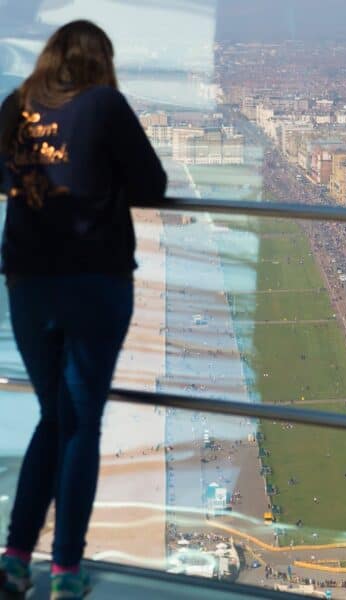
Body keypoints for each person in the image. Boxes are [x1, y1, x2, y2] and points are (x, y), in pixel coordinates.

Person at [0, 20, 166, 599]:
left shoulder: (15, 105)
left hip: (27, 285)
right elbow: (152, 183)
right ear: (102, 61)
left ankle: (17, 557)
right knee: (80, 423)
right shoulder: (105, 104)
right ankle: (65, 569)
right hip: (94, 281)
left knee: (56, 416)